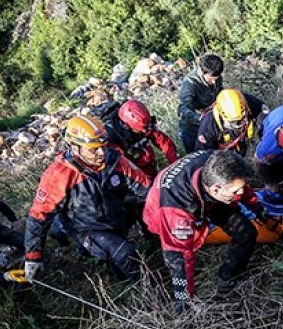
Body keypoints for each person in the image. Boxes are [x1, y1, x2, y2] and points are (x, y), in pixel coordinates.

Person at [23, 115, 151, 283]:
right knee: (124, 252)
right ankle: (152, 291)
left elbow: (146, 188)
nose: (101, 153)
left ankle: (122, 277)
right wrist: (33, 256)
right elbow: (39, 216)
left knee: (119, 255)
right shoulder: (59, 175)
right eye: (93, 149)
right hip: (87, 229)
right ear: (75, 148)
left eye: (103, 146)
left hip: (117, 218)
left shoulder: (115, 160)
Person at [143, 150, 270, 312]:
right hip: (165, 211)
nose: (241, 193)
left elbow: (242, 188)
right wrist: (185, 299)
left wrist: (257, 208)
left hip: (207, 200)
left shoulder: (218, 164)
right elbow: (180, 260)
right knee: (179, 259)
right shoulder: (175, 210)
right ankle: (183, 305)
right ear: (216, 189)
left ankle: (227, 277)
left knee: (246, 231)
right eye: (235, 192)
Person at [107, 99, 179, 177]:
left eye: (146, 127)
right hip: (135, 176)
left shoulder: (145, 123)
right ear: (126, 126)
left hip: (150, 166)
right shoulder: (113, 139)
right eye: (141, 130)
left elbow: (164, 142)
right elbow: (123, 168)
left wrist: (176, 165)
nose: (145, 131)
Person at [195, 89, 268, 156]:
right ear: (222, 115)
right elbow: (203, 155)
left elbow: (265, 114)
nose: (240, 124)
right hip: (221, 152)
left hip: (240, 143)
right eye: (235, 122)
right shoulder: (208, 126)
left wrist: (263, 132)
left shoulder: (246, 102)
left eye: (242, 118)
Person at [178, 54, 224, 152]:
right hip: (192, 130)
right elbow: (183, 109)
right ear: (203, 72)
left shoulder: (216, 75)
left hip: (210, 126)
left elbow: (220, 95)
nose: (214, 82)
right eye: (211, 79)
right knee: (197, 160)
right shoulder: (190, 83)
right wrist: (201, 118)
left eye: (217, 78)